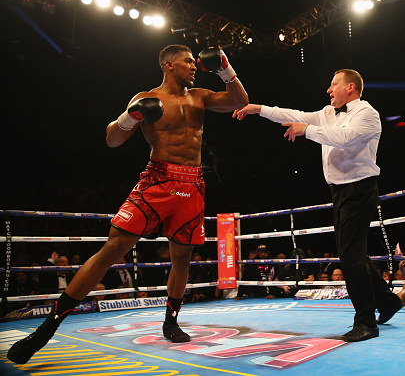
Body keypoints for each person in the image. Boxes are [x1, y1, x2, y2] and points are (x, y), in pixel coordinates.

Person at [8, 44, 248, 364]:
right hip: (157, 180)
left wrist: (225, 69)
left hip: (192, 185)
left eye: (195, 62)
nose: (194, 66)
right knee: (112, 249)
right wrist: (130, 116)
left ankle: (171, 321)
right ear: (168, 65)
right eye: (188, 62)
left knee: (182, 258)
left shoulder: (200, 96)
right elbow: (112, 139)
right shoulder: (147, 97)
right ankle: (47, 328)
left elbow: (239, 101)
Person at [233, 69, 403, 342]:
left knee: (350, 256)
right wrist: (258, 109)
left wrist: (307, 131)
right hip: (339, 191)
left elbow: (343, 138)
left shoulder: (367, 113)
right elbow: (292, 114)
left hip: (359, 189)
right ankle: (388, 301)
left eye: (333, 84)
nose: (328, 89)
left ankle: (366, 322)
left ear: (350, 87)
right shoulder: (327, 113)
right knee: (352, 253)